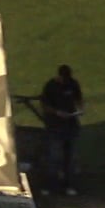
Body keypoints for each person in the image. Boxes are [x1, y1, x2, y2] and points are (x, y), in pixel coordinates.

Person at [39, 65, 83, 196]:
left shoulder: (73, 84)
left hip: (70, 124)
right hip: (55, 126)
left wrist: (80, 109)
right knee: (54, 157)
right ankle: (49, 186)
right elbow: (44, 105)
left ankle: (68, 185)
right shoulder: (50, 86)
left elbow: (78, 98)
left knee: (70, 157)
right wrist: (57, 112)